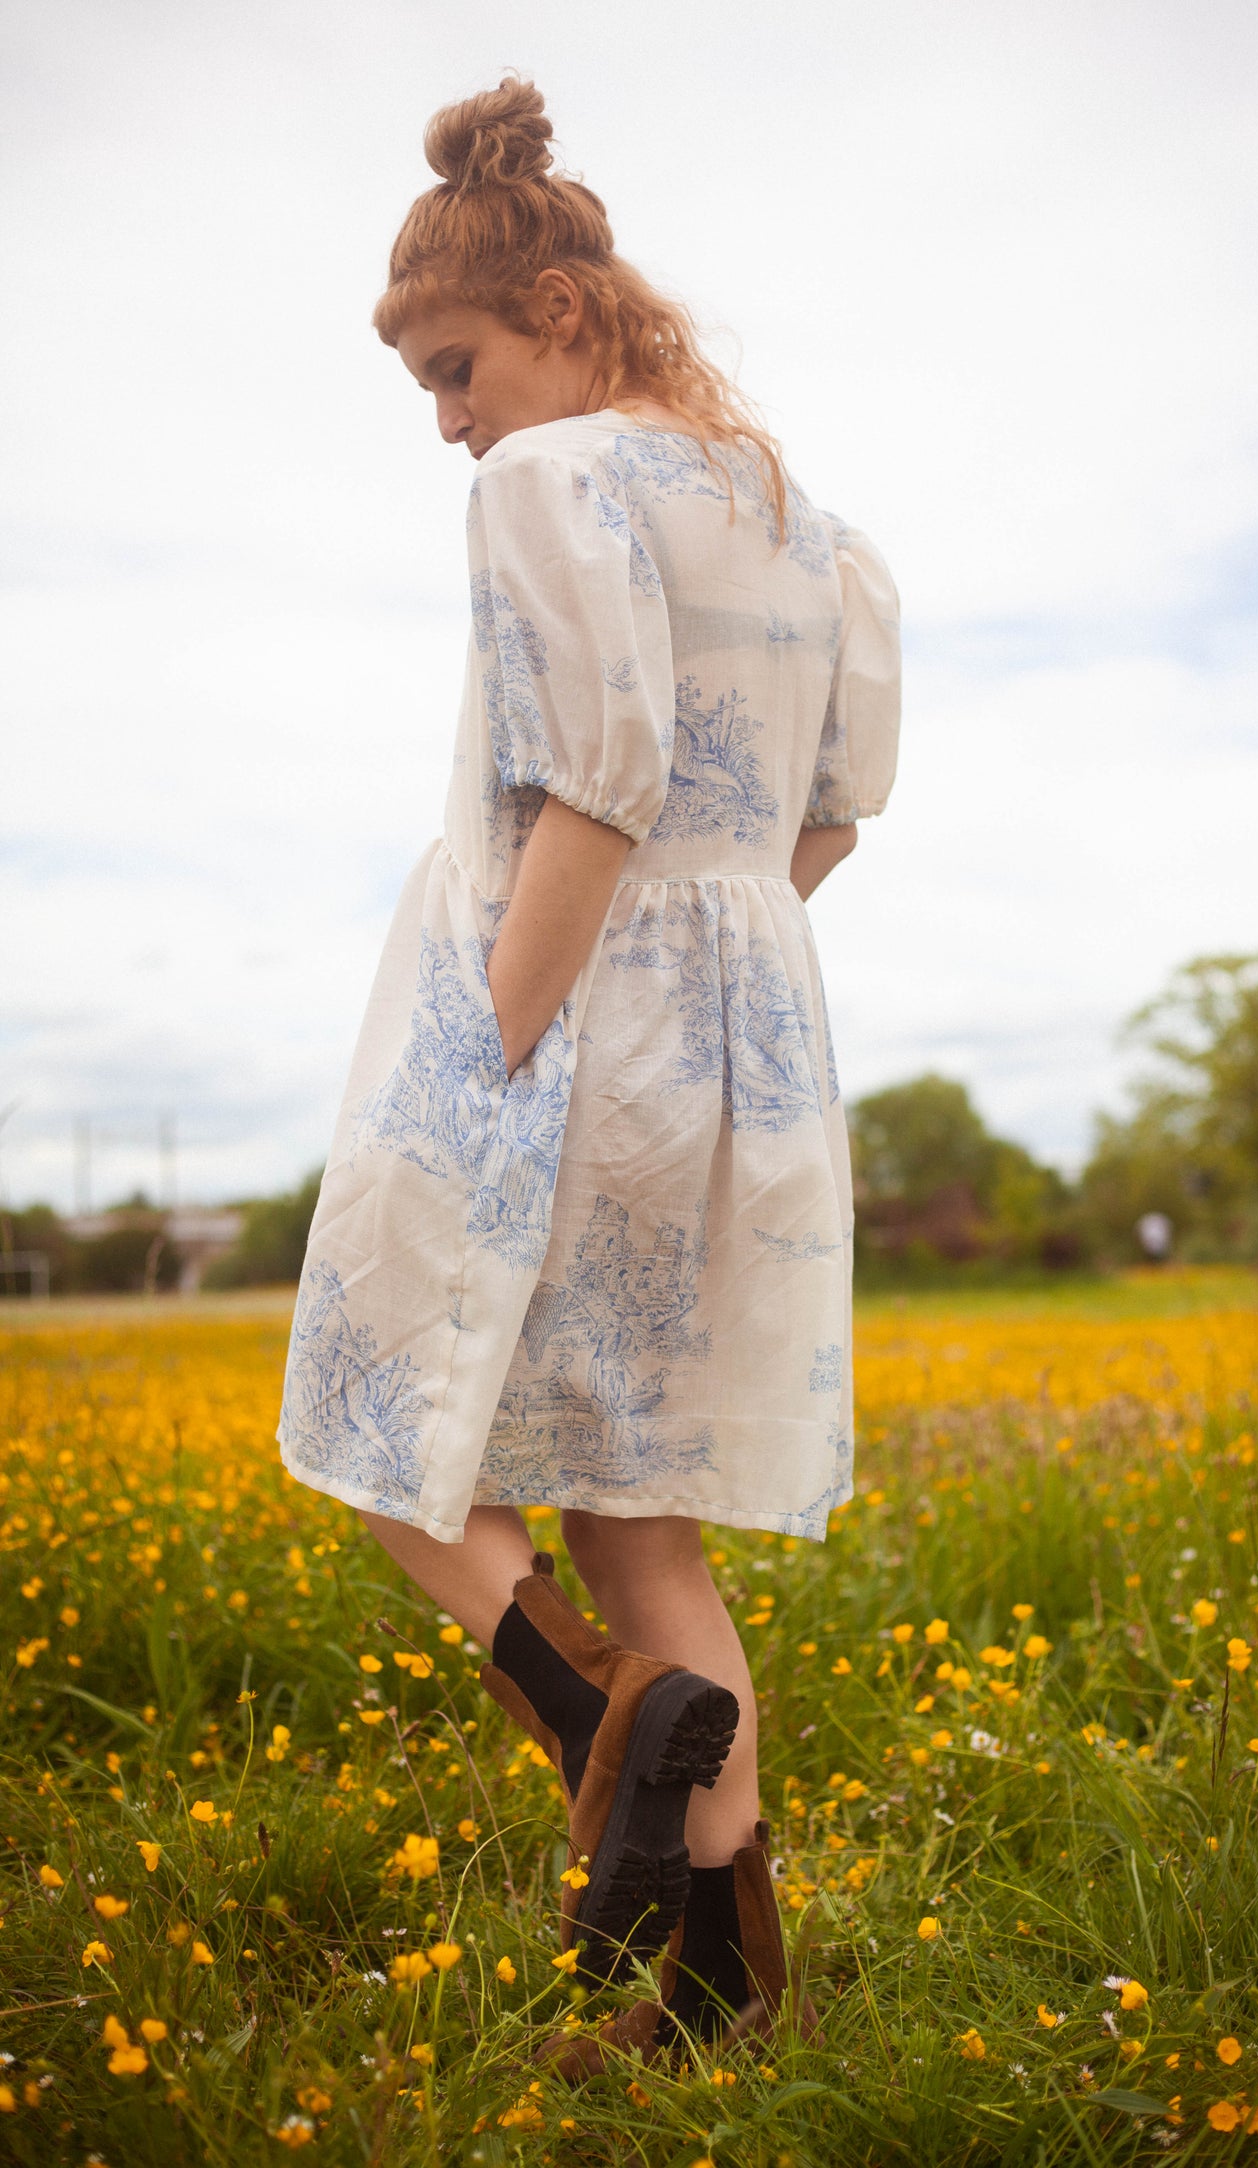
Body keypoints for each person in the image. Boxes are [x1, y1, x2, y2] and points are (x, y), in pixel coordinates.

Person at [276, 72, 901, 2063]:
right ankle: (721, 1987)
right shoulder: (811, 522)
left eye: (454, 369)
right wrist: (720, 1001)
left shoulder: (544, 487)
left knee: (364, 1412)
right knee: (642, 1517)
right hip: (748, 1043)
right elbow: (831, 821)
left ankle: (586, 1711)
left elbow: (598, 784)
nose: (448, 420)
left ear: (556, 312)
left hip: (555, 1004)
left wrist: (504, 1045)